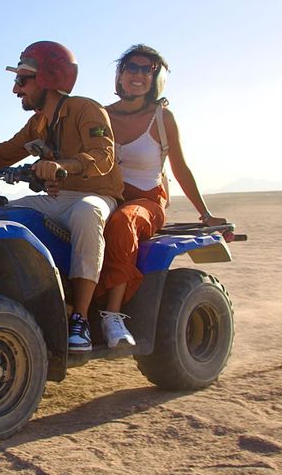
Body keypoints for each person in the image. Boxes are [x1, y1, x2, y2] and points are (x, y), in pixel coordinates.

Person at [0, 41, 123, 353]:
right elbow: (5, 152)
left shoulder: (85, 109)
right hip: (56, 198)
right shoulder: (38, 123)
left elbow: (102, 155)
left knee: (86, 214)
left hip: (95, 194)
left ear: (49, 78)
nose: (16, 90)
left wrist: (62, 166)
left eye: (21, 80)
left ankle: (79, 320)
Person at [92, 44, 226, 348]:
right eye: (131, 68)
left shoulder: (162, 118)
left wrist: (205, 214)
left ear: (156, 79)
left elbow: (180, 168)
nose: (138, 75)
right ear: (120, 74)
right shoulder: (100, 116)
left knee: (123, 223)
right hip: (106, 195)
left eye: (146, 70)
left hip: (146, 202)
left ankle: (112, 316)